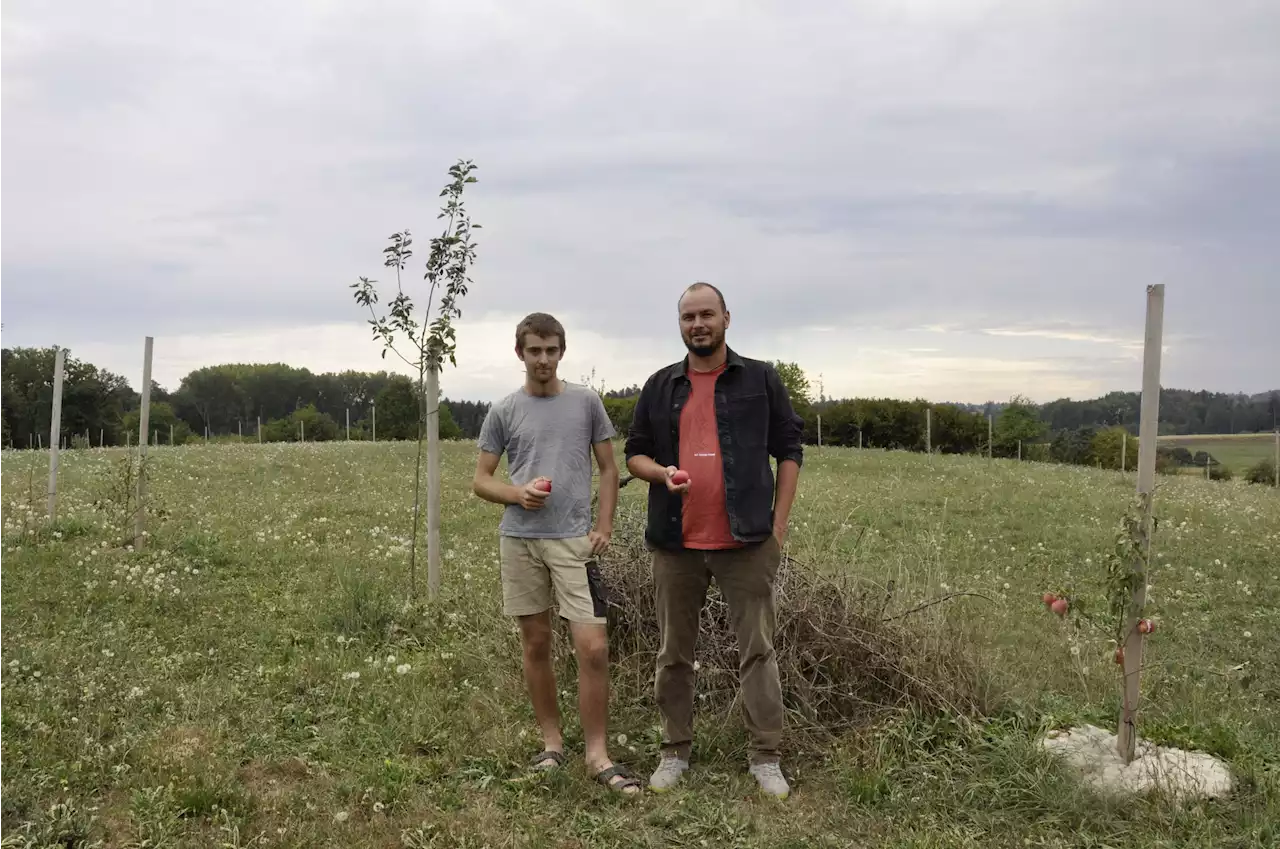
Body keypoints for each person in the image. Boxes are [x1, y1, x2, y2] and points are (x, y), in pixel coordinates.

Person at [624, 282, 804, 800]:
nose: (697, 324)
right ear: (679, 325)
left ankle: (766, 757)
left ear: (727, 317)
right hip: (675, 542)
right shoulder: (660, 386)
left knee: (758, 652)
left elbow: (790, 449)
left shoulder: (761, 380)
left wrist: (779, 525)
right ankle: (674, 750)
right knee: (673, 653)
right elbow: (635, 452)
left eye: (706, 314)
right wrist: (662, 475)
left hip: (747, 541)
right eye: (688, 317)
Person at [472, 311, 641, 796]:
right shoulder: (504, 409)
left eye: (550, 350)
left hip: (573, 543)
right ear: (519, 353)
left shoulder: (586, 402)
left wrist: (603, 524)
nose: (542, 359)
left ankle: (597, 754)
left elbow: (608, 469)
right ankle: (551, 743)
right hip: (520, 541)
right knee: (536, 644)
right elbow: (481, 480)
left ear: (561, 352)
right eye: (533, 351)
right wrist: (517, 494)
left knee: (593, 648)